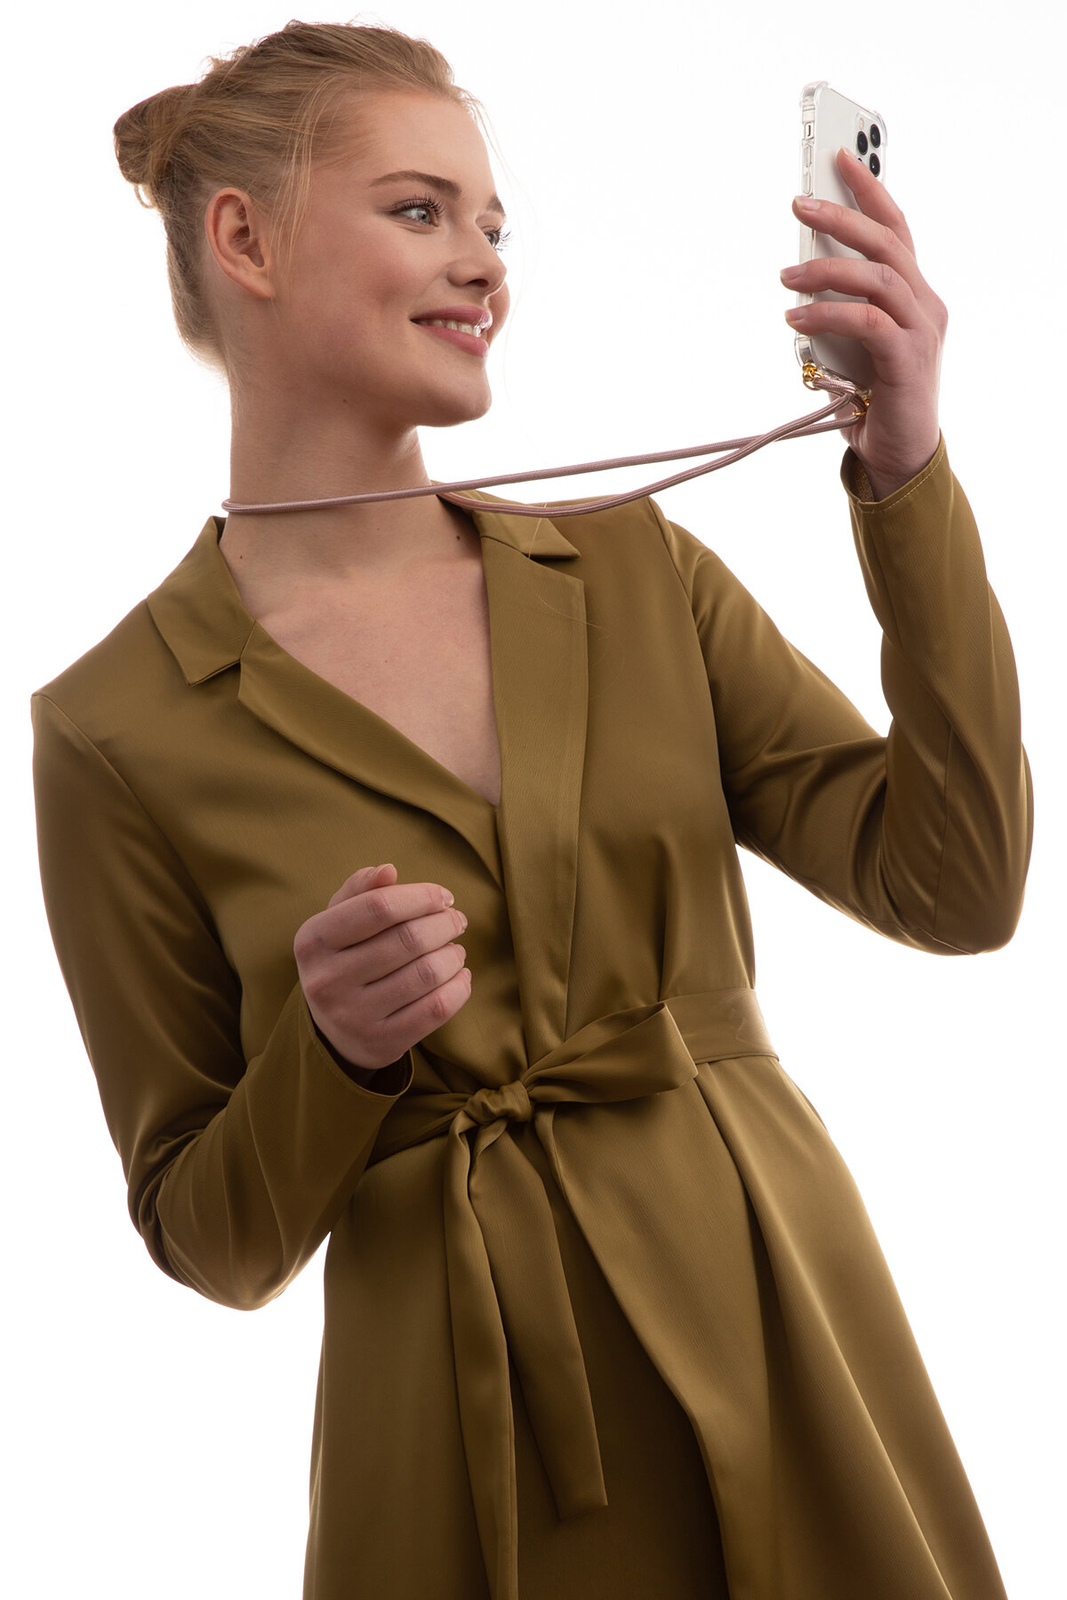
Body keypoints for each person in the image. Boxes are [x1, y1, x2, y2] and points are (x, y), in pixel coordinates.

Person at [31, 19, 1032, 1600]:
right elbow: (210, 1238)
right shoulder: (112, 729)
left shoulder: (636, 572)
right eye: (420, 210)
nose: (483, 264)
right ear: (245, 241)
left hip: (772, 1308)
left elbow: (957, 883)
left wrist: (904, 477)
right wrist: (332, 1051)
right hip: (456, 1421)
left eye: (494, 225)